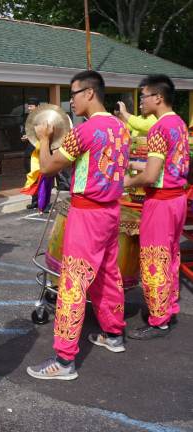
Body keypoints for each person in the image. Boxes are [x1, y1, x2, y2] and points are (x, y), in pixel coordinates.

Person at [26, 71, 130, 380]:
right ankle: (113, 335)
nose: (70, 100)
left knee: (73, 282)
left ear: (89, 93)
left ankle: (64, 360)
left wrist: (44, 138)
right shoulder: (120, 128)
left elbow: (46, 166)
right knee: (108, 274)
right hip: (112, 211)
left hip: (87, 214)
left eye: (73, 93)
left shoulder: (85, 131)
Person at [123, 75, 189, 340]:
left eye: (144, 96)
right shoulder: (179, 123)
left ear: (158, 98)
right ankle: (169, 307)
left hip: (161, 201)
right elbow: (167, 166)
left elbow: (150, 177)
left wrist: (127, 181)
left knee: (154, 259)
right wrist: (140, 167)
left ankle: (158, 318)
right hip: (177, 198)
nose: (141, 102)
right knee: (170, 255)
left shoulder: (159, 128)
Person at [22, 98, 41, 209]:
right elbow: (29, 133)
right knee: (32, 177)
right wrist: (26, 137)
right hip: (30, 150)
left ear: (37, 106)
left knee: (40, 178)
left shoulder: (42, 118)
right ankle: (35, 201)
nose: (29, 108)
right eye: (28, 106)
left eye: (31, 106)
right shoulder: (29, 119)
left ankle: (42, 202)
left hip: (39, 151)